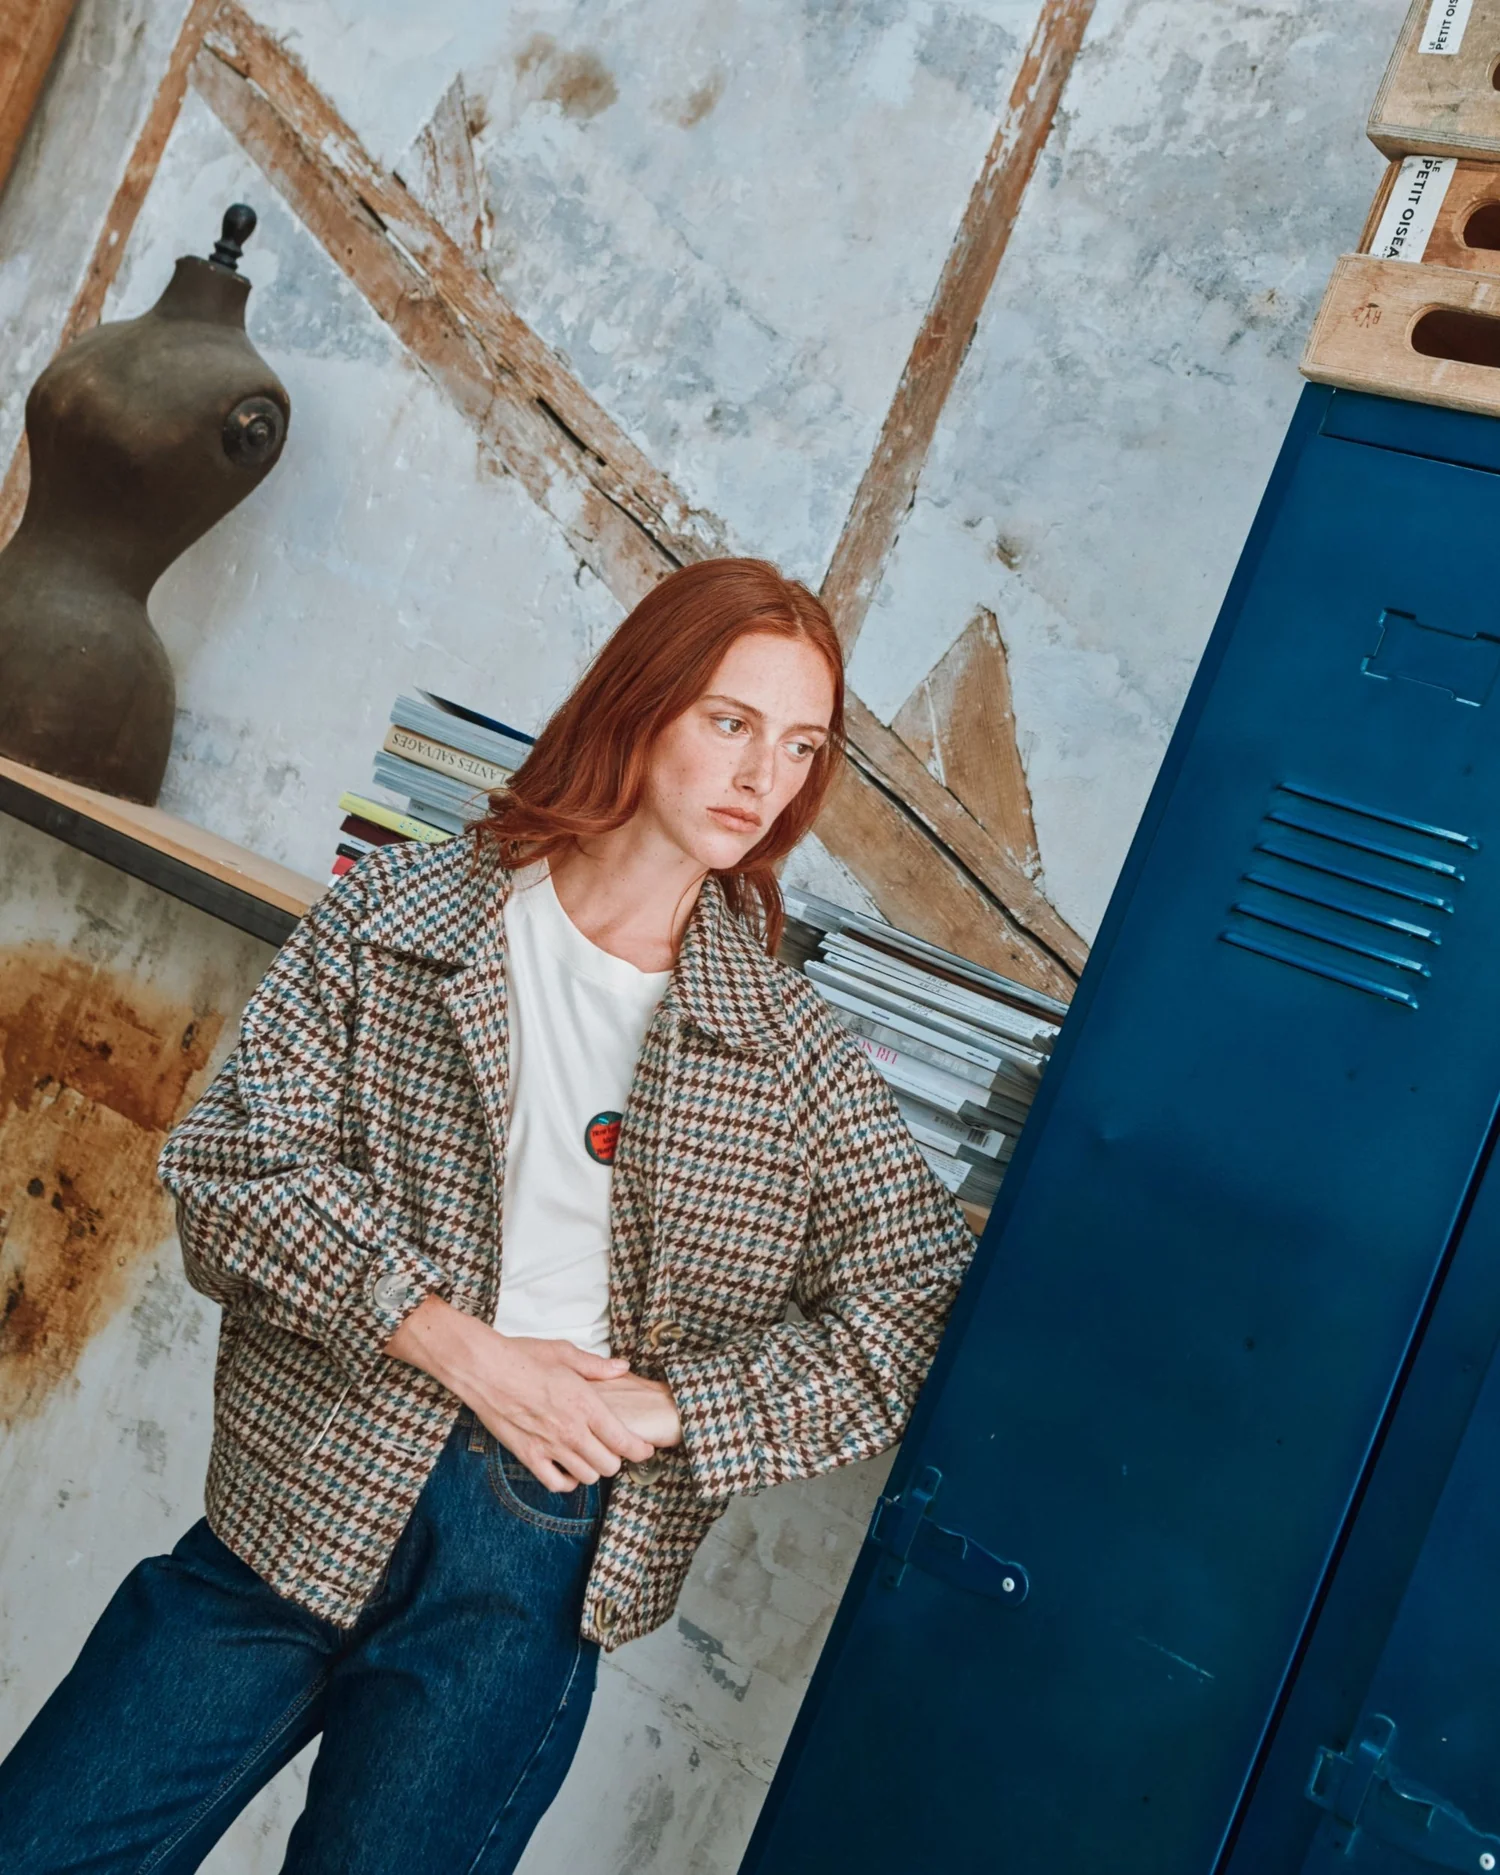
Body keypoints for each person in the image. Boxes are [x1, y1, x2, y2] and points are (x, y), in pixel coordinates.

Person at [0, 557, 978, 1873]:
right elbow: (237, 1166)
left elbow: (914, 1300)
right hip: (308, 1481)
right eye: (731, 722)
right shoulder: (403, 913)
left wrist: (674, 1409)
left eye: (800, 746)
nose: (764, 777)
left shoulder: (790, 1053)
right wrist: (461, 1345)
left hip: (533, 1551)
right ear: (640, 705)